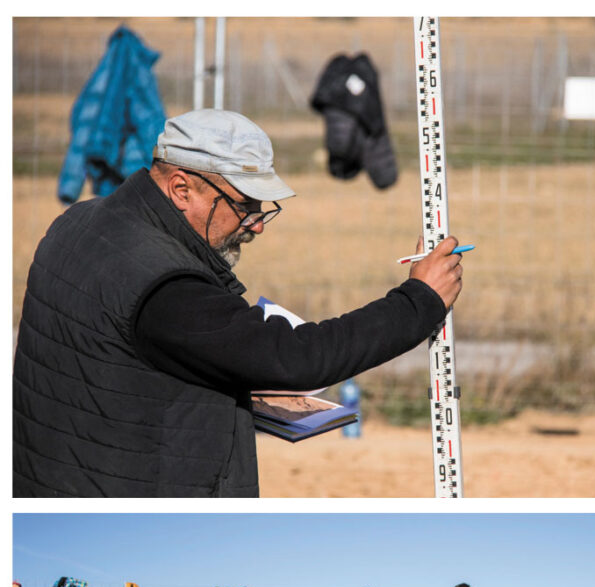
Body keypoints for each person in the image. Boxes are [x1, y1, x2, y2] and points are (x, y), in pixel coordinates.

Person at [13, 108, 465, 497]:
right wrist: (417, 301)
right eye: (244, 205)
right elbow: (298, 359)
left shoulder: (78, 222)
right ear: (181, 188)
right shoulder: (164, 285)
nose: (257, 225)